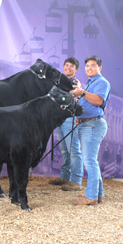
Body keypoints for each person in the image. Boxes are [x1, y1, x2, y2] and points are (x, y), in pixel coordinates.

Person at [71, 55, 111, 205]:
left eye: (93, 65)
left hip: (93, 125)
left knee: (89, 161)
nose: (89, 68)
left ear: (99, 68)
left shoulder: (102, 82)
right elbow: (88, 103)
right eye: (87, 65)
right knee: (91, 161)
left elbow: (98, 100)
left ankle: (92, 197)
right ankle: (97, 195)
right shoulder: (89, 84)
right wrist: (79, 117)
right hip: (86, 123)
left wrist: (81, 92)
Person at [48, 57, 83, 191]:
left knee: (73, 149)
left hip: (69, 118)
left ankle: (76, 180)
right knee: (64, 149)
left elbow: (67, 98)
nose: (68, 67)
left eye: (71, 66)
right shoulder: (60, 81)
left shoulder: (74, 82)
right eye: (66, 65)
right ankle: (64, 176)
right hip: (60, 118)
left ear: (76, 69)